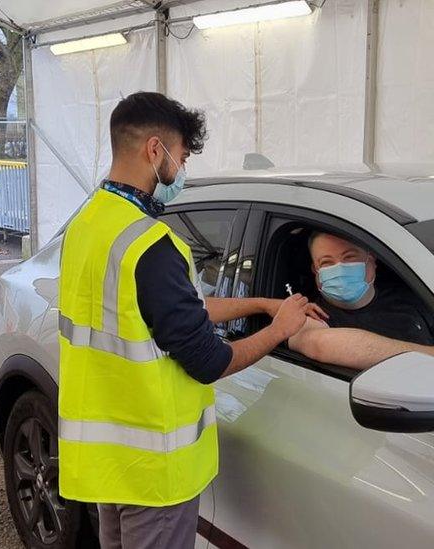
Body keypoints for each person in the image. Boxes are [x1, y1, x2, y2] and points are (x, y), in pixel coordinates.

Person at [57, 92, 317, 549]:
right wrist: (281, 330)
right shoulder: (151, 245)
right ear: (154, 151)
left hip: (109, 462)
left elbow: (169, 314)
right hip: (155, 473)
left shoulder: (88, 223)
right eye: (181, 158)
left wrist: (261, 305)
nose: (181, 172)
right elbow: (208, 360)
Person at [288, 231, 434, 370]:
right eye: (326, 262)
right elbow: (318, 344)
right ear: (315, 270)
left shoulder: (413, 298)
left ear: (372, 260)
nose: (339, 267)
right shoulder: (311, 315)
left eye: (349, 257)